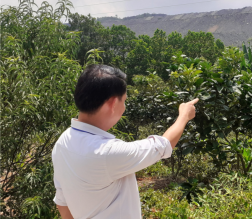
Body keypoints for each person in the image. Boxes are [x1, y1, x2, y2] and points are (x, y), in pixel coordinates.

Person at [52, 64, 198, 219]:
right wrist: (184, 116)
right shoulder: (107, 153)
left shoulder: (62, 143)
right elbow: (163, 145)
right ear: (113, 103)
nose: (125, 107)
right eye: (124, 101)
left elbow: (62, 202)